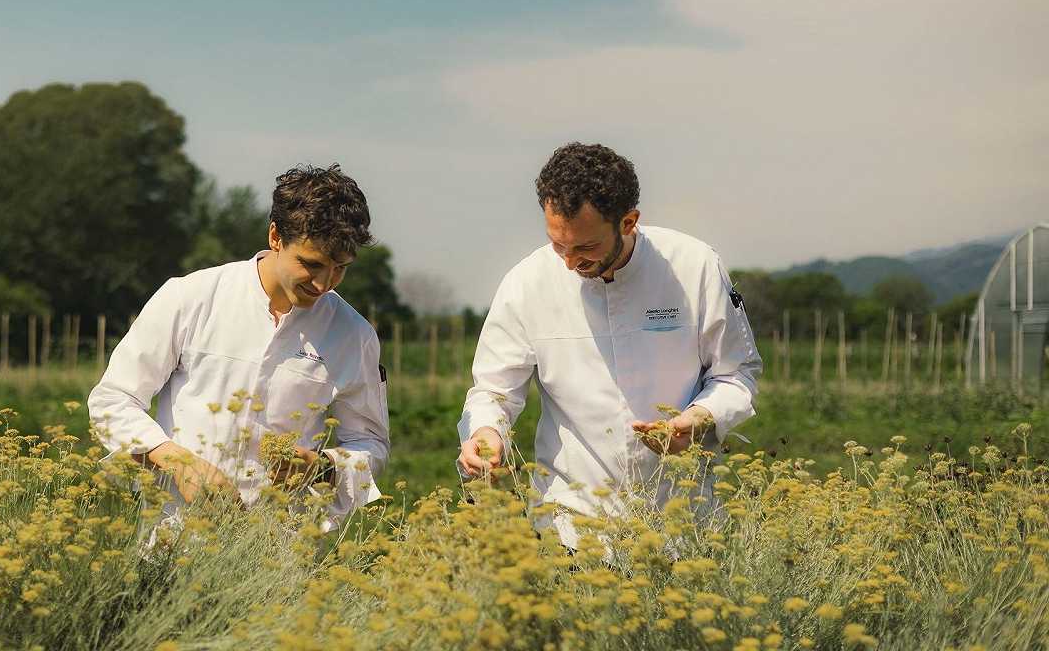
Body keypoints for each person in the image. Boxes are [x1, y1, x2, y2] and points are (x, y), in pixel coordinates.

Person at [456, 142, 761, 545]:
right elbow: (494, 390)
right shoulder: (525, 283)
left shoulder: (695, 266)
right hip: (571, 526)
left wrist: (701, 417)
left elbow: (737, 372)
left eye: (585, 247)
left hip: (685, 521)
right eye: (557, 243)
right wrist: (486, 434)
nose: (569, 261)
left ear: (628, 222)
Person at [89, 164, 389, 529]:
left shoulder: (354, 335)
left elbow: (370, 444)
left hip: (278, 554)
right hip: (173, 536)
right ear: (276, 236)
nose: (324, 282)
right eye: (311, 264)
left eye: (340, 268)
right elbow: (112, 400)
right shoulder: (191, 297)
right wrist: (174, 460)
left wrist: (322, 467)